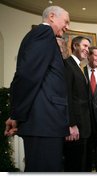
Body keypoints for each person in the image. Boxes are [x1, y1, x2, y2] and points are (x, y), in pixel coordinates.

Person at [4, 6, 70, 172]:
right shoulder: (44, 33)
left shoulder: (44, 36)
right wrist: (16, 114)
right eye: (66, 21)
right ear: (52, 17)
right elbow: (27, 75)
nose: (67, 26)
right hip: (44, 121)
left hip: (45, 122)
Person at [63, 36, 91, 171]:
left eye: (88, 47)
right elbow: (66, 95)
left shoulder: (81, 67)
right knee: (75, 165)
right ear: (75, 46)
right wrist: (71, 124)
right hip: (75, 126)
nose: (87, 50)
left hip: (84, 125)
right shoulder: (67, 65)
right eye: (85, 46)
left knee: (84, 164)